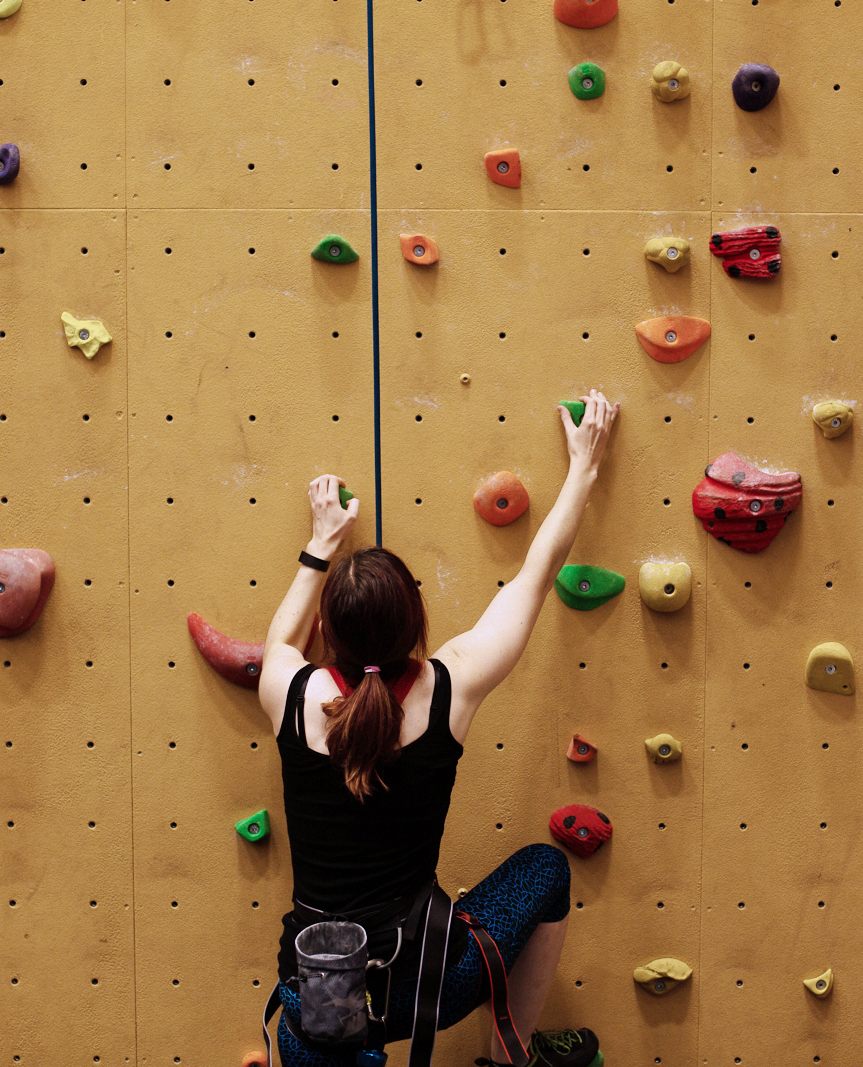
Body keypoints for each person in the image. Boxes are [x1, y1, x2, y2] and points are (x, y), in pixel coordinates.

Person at [257, 390, 620, 1067]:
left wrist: (320, 544)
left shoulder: (289, 689)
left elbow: (278, 639)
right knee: (545, 869)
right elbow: (536, 577)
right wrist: (583, 469)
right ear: (418, 623)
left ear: (327, 632)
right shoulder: (448, 687)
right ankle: (509, 1057)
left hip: (318, 1004)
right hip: (428, 984)